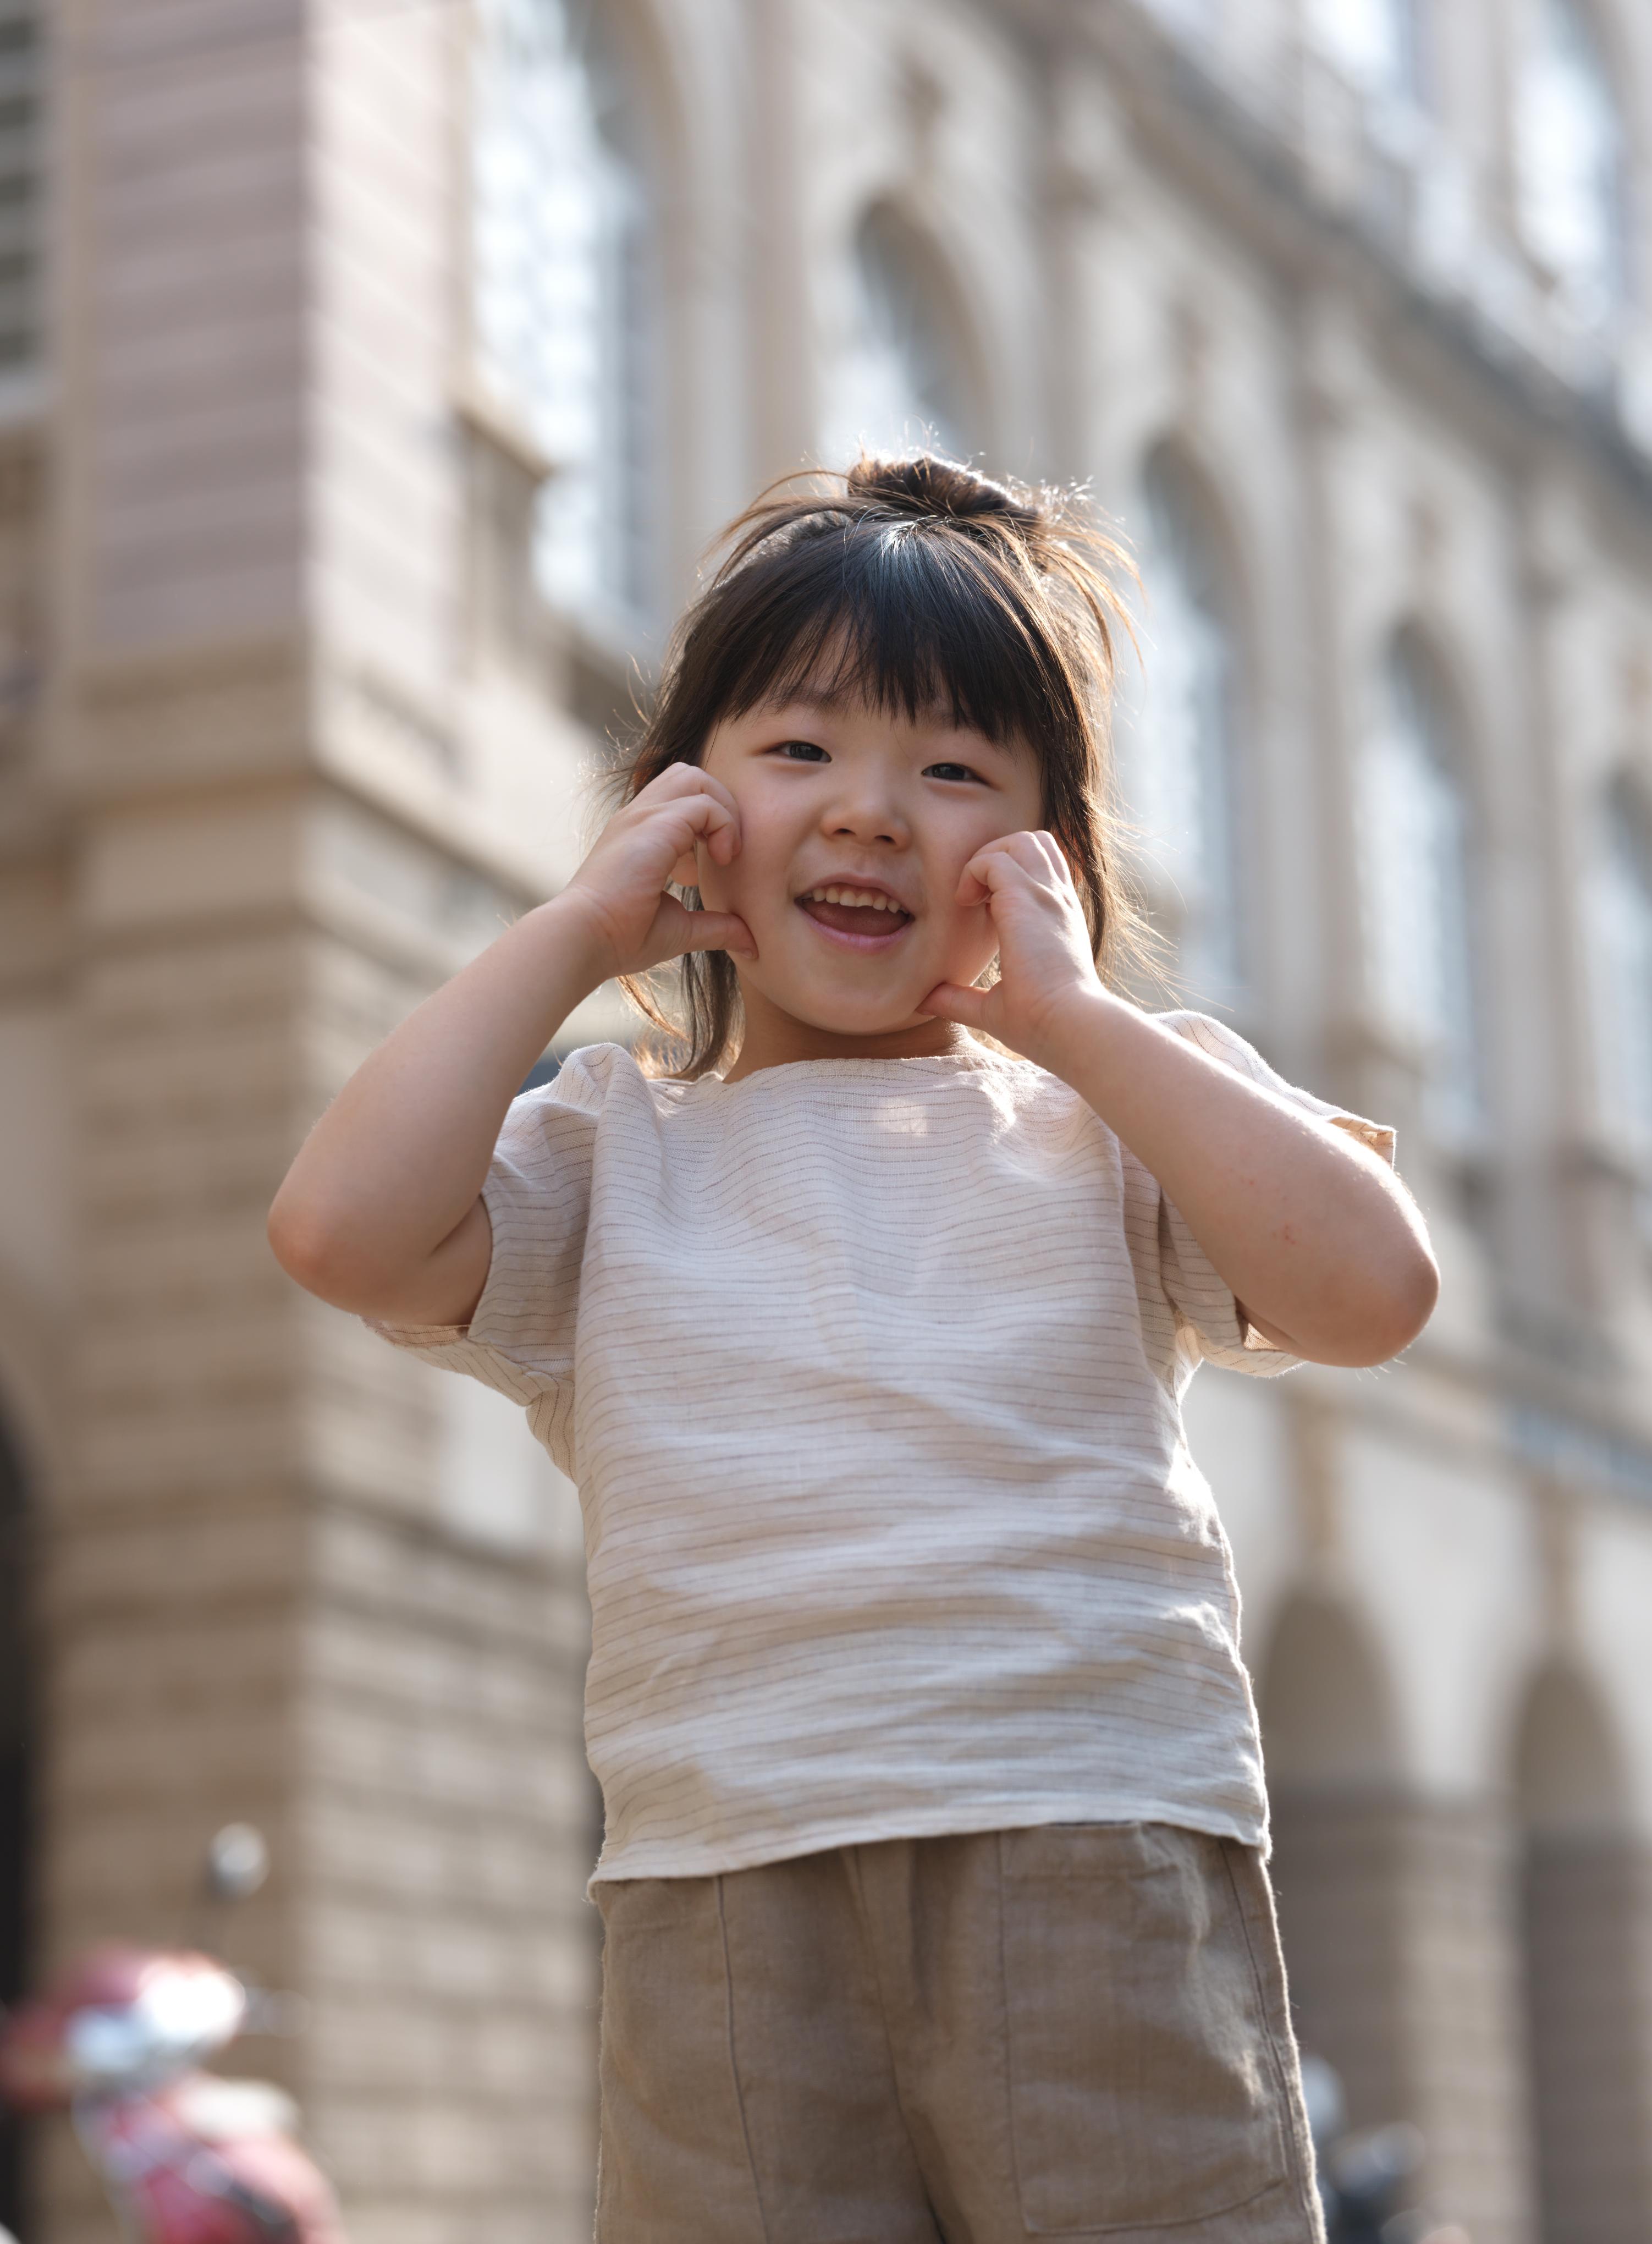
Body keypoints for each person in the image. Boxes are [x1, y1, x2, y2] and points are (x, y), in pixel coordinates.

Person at [268, 455, 1438, 2243]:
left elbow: (1373, 1291)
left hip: (1088, 1839)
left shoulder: (1113, 1108)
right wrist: (581, 929)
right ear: (687, 801)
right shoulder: (605, 1145)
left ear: (1047, 852)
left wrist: (1082, 1020)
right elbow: (336, 1231)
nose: (871, 813)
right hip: (718, 1876)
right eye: (799, 750)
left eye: (953, 771)